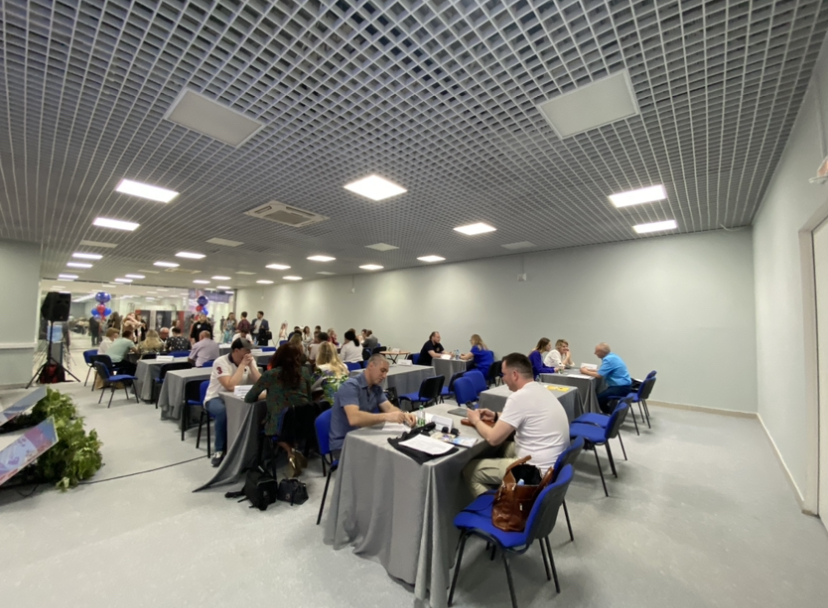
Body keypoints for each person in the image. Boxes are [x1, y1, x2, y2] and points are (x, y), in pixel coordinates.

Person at [462, 353, 570, 496]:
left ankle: (497, 506)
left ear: (514, 375)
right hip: (550, 463)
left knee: (470, 470)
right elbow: (525, 415)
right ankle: (504, 487)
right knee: (499, 448)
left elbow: (493, 439)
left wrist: (475, 420)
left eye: (504, 374)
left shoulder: (519, 397)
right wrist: (495, 415)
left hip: (534, 471)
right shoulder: (540, 390)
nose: (503, 378)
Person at [245, 343, 314, 477]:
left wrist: (268, 395)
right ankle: (292, 449)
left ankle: (289, 450)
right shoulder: (305, 372)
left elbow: (249, 398)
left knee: (268, 425)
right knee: (289, 422)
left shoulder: (270, 375)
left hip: (279, 424)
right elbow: (309, 398)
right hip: (303, 422)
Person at [329, 355, 417, 456]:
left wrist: (404, 415)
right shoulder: (350, 386)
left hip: (363, 435)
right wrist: (386, 417)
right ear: (371, 366)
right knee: (389, 455)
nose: (384, 376)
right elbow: (354, 419)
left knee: (397, 450)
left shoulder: (376, 388)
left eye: (386, 372)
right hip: (344, 444)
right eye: (382, 371)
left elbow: (389, 408)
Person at [204, 338, 261, 467]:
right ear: (236, 351)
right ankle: (219, 450)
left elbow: (261, 382)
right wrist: (242, 365)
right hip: (216, 398)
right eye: (246, 350)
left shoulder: (249, 360)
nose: (249, 353)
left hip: (237, 397)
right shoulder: (221, 362)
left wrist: (251, 366)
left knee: (254, 408)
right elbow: (230, 386)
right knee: (222, 412)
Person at [580, 343, 632, 413]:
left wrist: (585, 372)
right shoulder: (613, 356)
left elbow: (599, 375)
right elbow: (603, 371)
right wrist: (589, 370)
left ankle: (611, 414)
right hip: (625, 386)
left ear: (602, 352)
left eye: (597, 351)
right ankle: (612, 413)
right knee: (601, 396)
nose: (595, 353)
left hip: (620, 387)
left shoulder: (608, 360)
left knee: (597, 400)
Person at [312, 342, 350, 408]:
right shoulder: (344, 366)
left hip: (331, 406)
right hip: (347, 403)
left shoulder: (321, 369)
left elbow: (310, 387)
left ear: (320, 354)